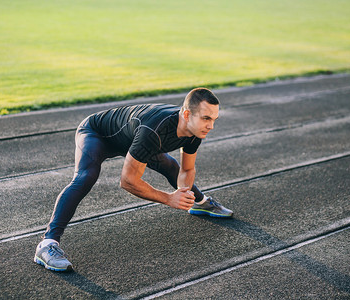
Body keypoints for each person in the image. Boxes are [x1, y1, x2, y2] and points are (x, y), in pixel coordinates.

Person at [34, 87, 233, 272]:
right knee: (86, 177)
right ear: (187, 114)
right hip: (97, 133)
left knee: (171, 165)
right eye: (207, 118)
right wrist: (168, 198)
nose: (211, 126)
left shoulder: (195, 131)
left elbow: (187, 169)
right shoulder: (154, 130)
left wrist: (184, 194)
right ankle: (47, 245)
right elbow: (127, 181)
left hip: (133, 139)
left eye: (214, 119)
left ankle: (199, 202)